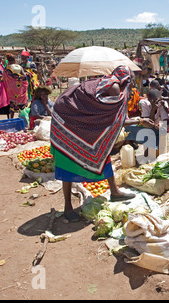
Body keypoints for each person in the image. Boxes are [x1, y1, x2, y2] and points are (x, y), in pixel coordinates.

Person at [50, 66, 136, 222]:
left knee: (103, 151)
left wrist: (139, 121)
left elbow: (107, 115)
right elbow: (114, 120)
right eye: (132, 80)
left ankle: (115, 192)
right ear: (127, 79)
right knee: (68, 160)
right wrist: (140, 121)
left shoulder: (109, 83)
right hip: (68, 119)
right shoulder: (115, 87)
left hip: (80, 118)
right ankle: (67, 207)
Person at [3, 54, 29, 119]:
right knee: (21, 102)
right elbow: (24, 76)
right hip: (19, 88)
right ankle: (23, 117)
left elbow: (4, 78)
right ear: (14, 60)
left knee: (12, 104)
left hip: (11, 89)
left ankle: (11, 118)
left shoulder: (7, 69)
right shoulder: (19, 67)